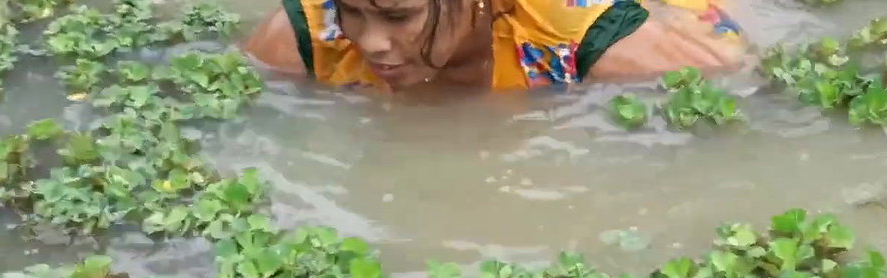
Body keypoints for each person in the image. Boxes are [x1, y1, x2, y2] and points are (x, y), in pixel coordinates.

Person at [241, 0, 750, 91]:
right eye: (353, 10)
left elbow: (733, 70)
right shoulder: (305, 37)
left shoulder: (592, 41)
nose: (370, 42)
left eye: (399, 16)